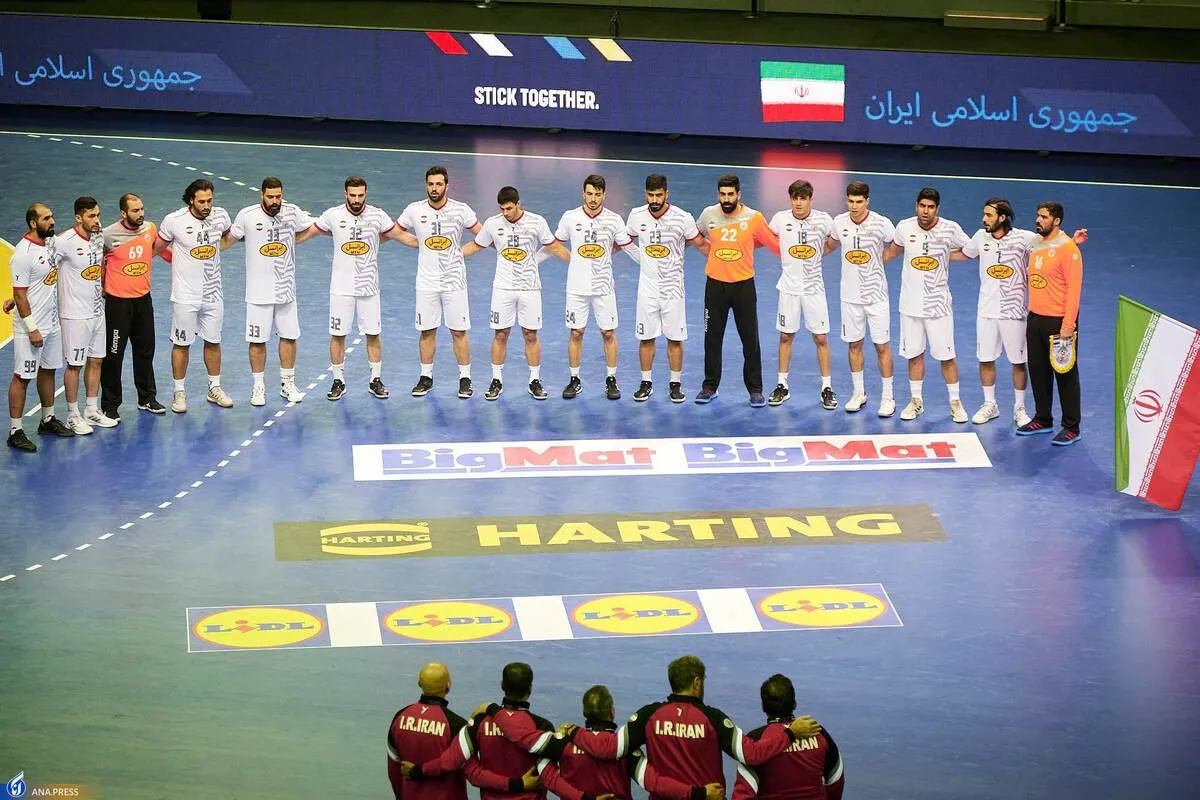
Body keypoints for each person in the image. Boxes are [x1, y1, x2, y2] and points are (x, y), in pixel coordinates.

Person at [564, 656, 820, 795]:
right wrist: (790, 733)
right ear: (697, 683)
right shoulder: (713, 718)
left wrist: (575, 732)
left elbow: (608, 748)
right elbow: (751, 754)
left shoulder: (649, 715)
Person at [952, 199, 1087, 428]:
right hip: (1000, 312)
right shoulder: (981, 237)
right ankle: (997, 406)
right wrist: (935, 253)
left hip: (1020, 313)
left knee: (1031, 365)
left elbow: (1055, 248)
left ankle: (1026, 410)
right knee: (1003, 362)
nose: (984, 219)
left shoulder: (1026, 238)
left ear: (1002, 217)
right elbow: (965, 254)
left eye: (989, 215)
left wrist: (1071, 243)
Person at [486, 684, 724, 800]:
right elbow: (654, 783)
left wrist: (493, 710)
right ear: (612, 712)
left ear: (584, 713)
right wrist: (698, 793)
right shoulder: (627, 751)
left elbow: (547, 775)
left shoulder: (561, 743)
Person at [462, 187, 568, 401]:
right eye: (502, 209)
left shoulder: (537, 222)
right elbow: (476, 246)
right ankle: (496, 380)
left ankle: (534, 380)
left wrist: (577, 263)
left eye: (509, 208)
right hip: (503, 288)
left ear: (518, 204)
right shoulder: (493, 223)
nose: (506, 213)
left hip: (530, 288)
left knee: (531, 334)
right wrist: (452, 256)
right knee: (501, 334)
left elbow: (555, 247)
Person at [224, 177, 317, 407]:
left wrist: (293, 241)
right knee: (257, 341)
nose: (275, 201)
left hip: (286, 289)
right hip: (257, 292)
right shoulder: (247, 215)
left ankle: (288, 384)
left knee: (289, 337)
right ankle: (258, 386)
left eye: (278, 196)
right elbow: (227, 240)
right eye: (270, 197)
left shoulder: (292, 212)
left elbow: (314, 227)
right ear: (262, 195)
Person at [883, 188, 971, 423]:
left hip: (938, 307)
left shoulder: (950, 229)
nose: (925, 211)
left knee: (947, 356)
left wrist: (946, 255)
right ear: (916, 206)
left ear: (937, 209)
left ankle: (955, 402)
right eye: (922, 206)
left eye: (931, 207)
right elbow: (892, 251)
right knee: (914, 355)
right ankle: (916, 401)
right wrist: (868, 263)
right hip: (910, 306)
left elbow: (970, 251)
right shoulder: (904, 227)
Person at [394, 166, 481, 399]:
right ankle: (426, 377)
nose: (434, 188)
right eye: (431, 184)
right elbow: (395, 231)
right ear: (426, 185)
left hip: (454, 282)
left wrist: (462, 252)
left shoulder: (461, 210)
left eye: (439, 184)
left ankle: (465, 378)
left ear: (446, 186)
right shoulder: (414, 210)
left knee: (459, 331)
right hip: (426, 283)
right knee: (427, 330)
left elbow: (483, 236)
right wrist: (419, 243)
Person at [402, 662, 548, 800]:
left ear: (502, 685)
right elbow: (549, 776)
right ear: (530, 688)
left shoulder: (479, 723)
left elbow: (461, 767)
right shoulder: (543, 727)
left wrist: (417, 771)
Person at [694, 175, 780, 406]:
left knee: (750, 340)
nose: (726, 199)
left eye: (730, 194)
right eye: (722, 194)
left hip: (743, 287)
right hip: (715, 286)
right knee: (712, 339)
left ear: (739, 195)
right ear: (718, 195)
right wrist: (712, 253)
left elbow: (774, 245)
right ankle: (709, 387)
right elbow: (695, 236)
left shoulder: (754, 218)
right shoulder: (708, 215)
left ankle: (755, 390)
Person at [308, 176, 396, 401]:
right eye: (353, 195)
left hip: (369, 287)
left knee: (373, 334)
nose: (357, 200)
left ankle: (375, 380)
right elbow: (309, 232)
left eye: (360, 195)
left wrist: (426, 244)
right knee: (338, 335)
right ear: (345, 194)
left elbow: (398, 234)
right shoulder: (333, 215)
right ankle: (338, 380)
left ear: (366, 194)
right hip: (341, 288)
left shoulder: (378, 215)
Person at [625, 174, 708, 403]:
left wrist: (724, 259)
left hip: (673, 290)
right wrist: (641, 258)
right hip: (647, 289)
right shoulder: (636, 215)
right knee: (646, 337)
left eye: (659, 195)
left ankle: (675, 384)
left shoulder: (683, 218)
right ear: (645, 194)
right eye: (651, 195)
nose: (654, 200)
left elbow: (701, 244)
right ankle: (646, 383)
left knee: (675, 338)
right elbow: (624, 240)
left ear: (666, 194)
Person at [154, 178, 234, 413]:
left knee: (213, 341)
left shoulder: (221, 216)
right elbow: (157, 248)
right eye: (201, 201)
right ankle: (179, 393)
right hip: (185, 296)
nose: (207, 206)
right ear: (191, 200)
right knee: (182, 344)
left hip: (213, 293)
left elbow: (227, 237)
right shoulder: (174, 221)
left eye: (210, 200)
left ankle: (214, 388)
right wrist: (176, 260)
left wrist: (213, 252)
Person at [553, 174, 633, 401]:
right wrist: (572, 260)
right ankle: (574, 379)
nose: (593, 198)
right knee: (576, 332)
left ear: (604, 195)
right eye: (589, 193)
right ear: (583, 193)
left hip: (604, 287)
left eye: (598, 194)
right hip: (576, 287)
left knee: (608, 333)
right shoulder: (570, 217)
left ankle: (611, 379)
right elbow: (554, 244)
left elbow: (626, 245)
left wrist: (647, 263)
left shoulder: (614, 220)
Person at [766, 180, 838, 409]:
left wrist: (819, 253)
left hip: (814, 289)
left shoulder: (824, 220)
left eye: (803, 198)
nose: (798, 203)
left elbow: (834, 241)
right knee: (785, 336)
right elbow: (768, 239)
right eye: (795, 198)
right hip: (788, 289)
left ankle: (827, 388)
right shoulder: (780, 219)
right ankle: (782, 385)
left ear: (810, 199)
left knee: (821, 339)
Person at [7, 203, 73, 451]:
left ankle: (47, 419)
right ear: (33, 223)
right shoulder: (23, 254)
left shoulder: (50, 243)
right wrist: (32, 328)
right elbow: (20, 294)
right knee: (22, 377)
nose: (52, 221)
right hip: (30, 327)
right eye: (46, 218)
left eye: (52, 216)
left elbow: (35, 284)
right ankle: (15, 431)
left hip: (52, 323)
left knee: (48, 370)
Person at [828, 181, 897, 417]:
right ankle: (859, 393)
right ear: (846, 200)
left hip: (876, 296)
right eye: (851, 201)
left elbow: (897, 243)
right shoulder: (839, 222)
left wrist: (882, 259)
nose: (854, 206)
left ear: (867, 201)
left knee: (881, 346)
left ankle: (888, 397)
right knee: (854, 345)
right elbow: (830, 244)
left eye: (859, 201)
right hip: (849, 297)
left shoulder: (881, 223)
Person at [1020, 201, 1084, 446]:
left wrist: (1068, 326)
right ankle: (1043, 418)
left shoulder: (1069, 250)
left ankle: (1071, 427)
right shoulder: (1037, 243)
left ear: (1057, 221)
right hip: (1035, 317)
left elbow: (1074, 291)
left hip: (1058, 322)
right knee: (1037, 370)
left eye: (1044, 217)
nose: (1038, 220)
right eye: (1038, 215)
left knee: (1065, 373)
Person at [54, 196, 117, 434]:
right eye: (91, 216)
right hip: (74, 315)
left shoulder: (99, 237)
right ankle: (72, 415)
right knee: (74, 365)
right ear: (78, 218)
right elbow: (43, 269)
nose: (96, 220)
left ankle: (91, 410)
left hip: (97, 311)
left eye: (98, 215)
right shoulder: (63, 241)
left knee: (96, 360)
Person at [101, 193, 167, 417]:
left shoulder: (150, 229)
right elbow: (97, 263)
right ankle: (110, 405)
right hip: (118, 304)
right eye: (135, 211)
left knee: (145, 351)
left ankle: (147, 398)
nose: (141, 214)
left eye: (142, 209)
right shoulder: (108, 235)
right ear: (123, 213)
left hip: (143, 300)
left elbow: (159, 250)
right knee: (113, 354)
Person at [731, 675, 844, 800]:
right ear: (794, 704)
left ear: (763, 706)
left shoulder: (754, 744)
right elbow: (836, 778)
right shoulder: (817, 732)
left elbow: (743, 794)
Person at [387, 662, 472, 800]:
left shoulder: (399, 717)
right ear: (448, 685)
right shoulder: (457, 725)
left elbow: (393, 770)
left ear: (419, 683)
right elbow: (470, 771)